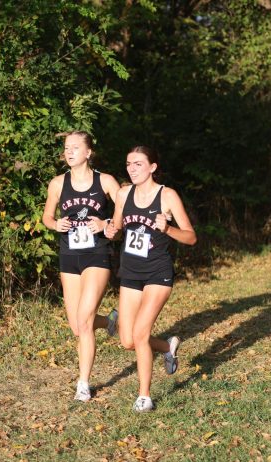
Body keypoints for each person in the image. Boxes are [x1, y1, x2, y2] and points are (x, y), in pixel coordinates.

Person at [104, 146, 197, 412]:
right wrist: (110, 230)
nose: (132, 169)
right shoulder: (123, 194)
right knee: (127, 341)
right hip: (131, 271)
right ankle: (167, 346)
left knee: (141, 333)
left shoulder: (167, 196)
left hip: (158, 271)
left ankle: (144, 396)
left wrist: (167, 228)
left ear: (153, 167)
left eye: (138, 164)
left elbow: (191, 237)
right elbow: (117, 228)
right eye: (128, 164)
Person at [42, 131, 121, 402]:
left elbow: (126, 208)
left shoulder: (106, 181)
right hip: (69, 255)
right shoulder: (57, 183)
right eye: (66, 148)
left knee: (84, 322)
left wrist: (106, 223)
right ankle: (110, 321)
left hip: (97, 254)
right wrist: (55, 224)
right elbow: (46, 217)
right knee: (77, 325)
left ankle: (83, 383)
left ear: (89, 153)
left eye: (75, 148)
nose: (69, 152)